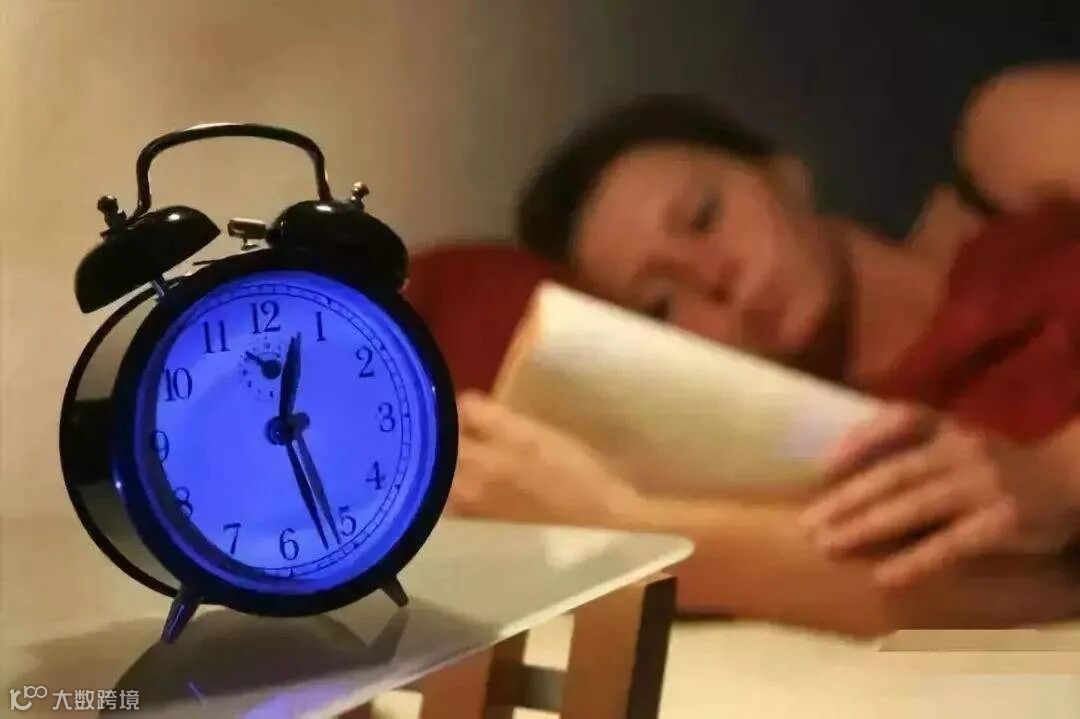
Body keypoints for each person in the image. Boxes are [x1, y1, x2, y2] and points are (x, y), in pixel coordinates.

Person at [448, 63, 1080, 635]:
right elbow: (1016, 590)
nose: (711, 278)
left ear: (784, 173)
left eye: (703, 218)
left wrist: (1060, 469)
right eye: (662, 304)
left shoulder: (1004, 157)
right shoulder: (846, 461)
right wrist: (618, 522)